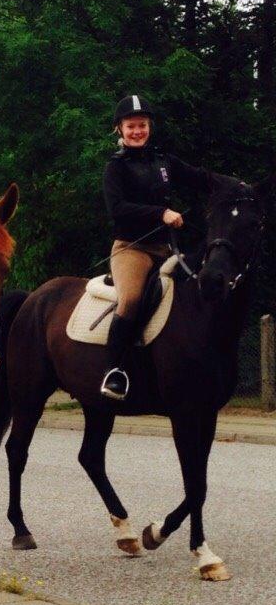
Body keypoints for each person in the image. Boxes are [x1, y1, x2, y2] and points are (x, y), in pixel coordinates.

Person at [100, 95, 209, 400]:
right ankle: (114, 370)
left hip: (165, 250)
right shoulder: (115, 168)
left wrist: (232, 186)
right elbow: (117, 209)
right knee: (132, 299)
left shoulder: (164, 162)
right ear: (119, 129)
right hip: (131, 250)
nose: (138, 131)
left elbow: (198, 177)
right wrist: (160, 213)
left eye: (143, 125)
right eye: (131, 126)